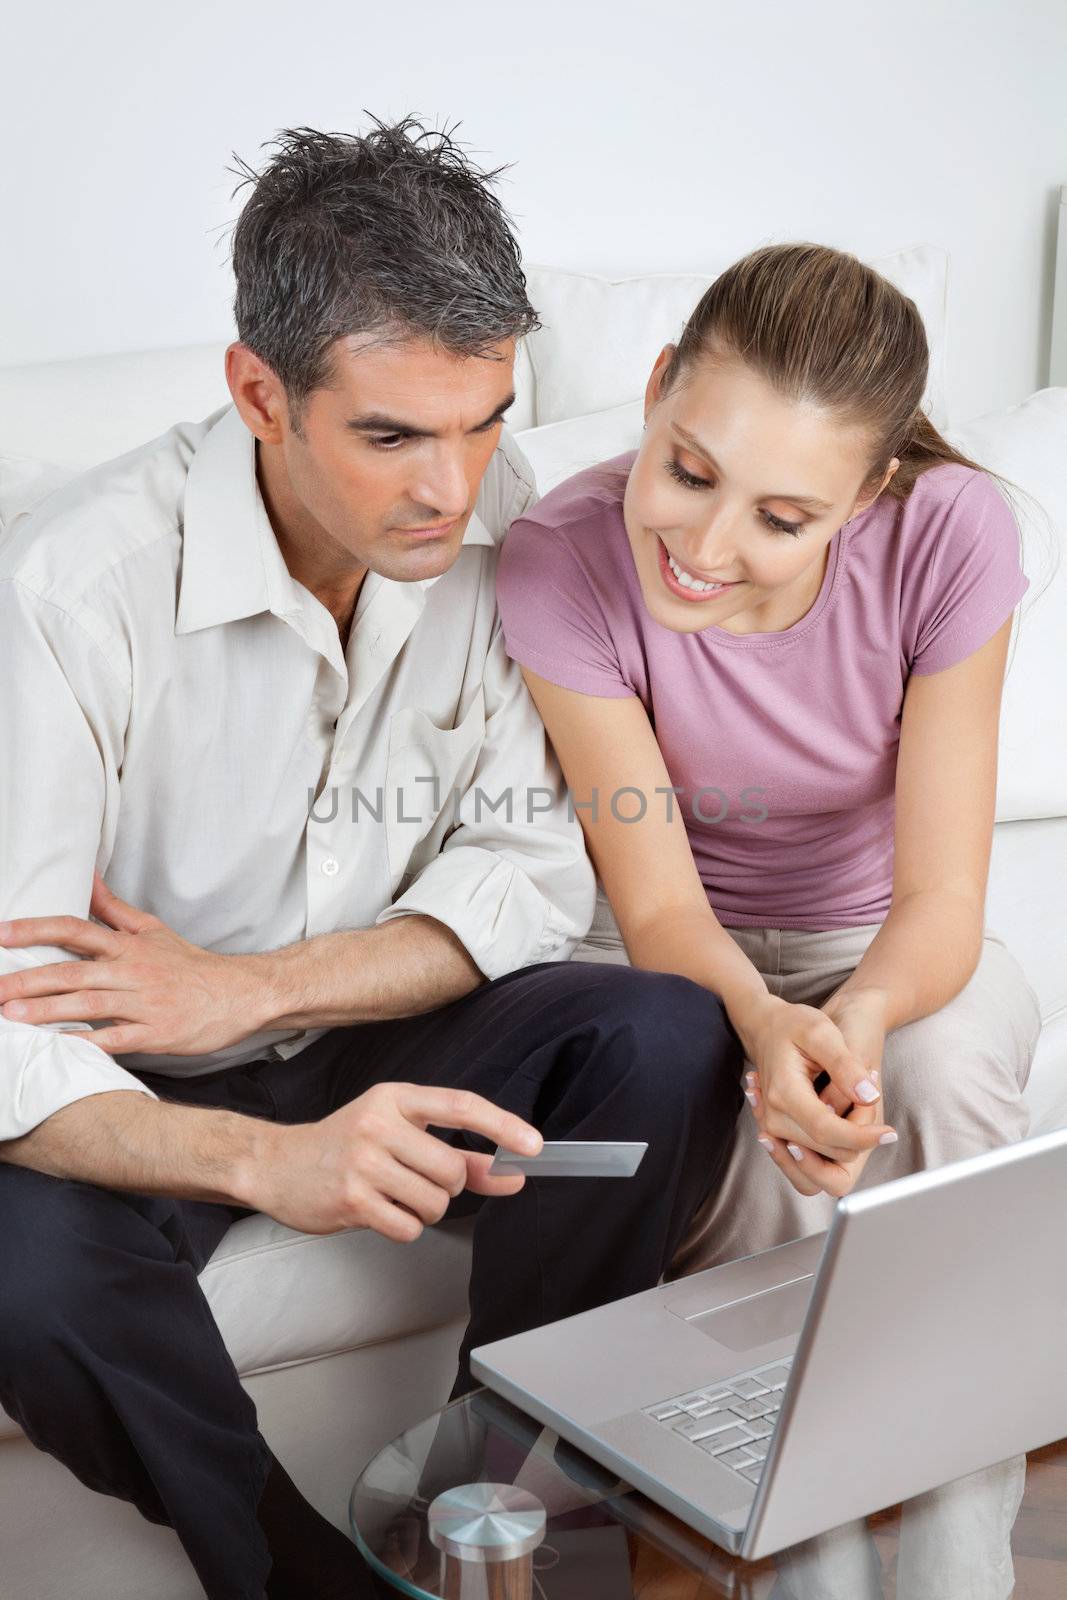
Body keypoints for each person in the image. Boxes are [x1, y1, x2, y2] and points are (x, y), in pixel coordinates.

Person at [0, 121, 745, 1600]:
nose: (452, 486)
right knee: (24, 1277)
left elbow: (534, 868)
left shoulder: (511, 508)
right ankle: (295, 1576)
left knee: (664, 1033)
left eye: (482, 420)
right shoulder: (69, 590)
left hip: (358, 1013)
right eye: (394, 436)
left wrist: (252, 988)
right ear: (259, 393)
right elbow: (10, 1027)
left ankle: (506, 1510)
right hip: (128, 1077)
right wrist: (270, 1161)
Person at [495, 242, 1042, 1600]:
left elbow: (942, 899)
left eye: (784, 518)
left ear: (870, 498)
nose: (705, 546)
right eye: (688, 469)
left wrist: (852, 1023)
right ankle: (801, 1563)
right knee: (745, 1135)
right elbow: (660, 898)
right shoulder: (558, 563)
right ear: (658, 385)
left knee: (945, 1073)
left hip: (899, 953)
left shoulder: (955, 531)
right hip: (686, 960)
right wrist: (763, 1026)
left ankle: (959, 1557)